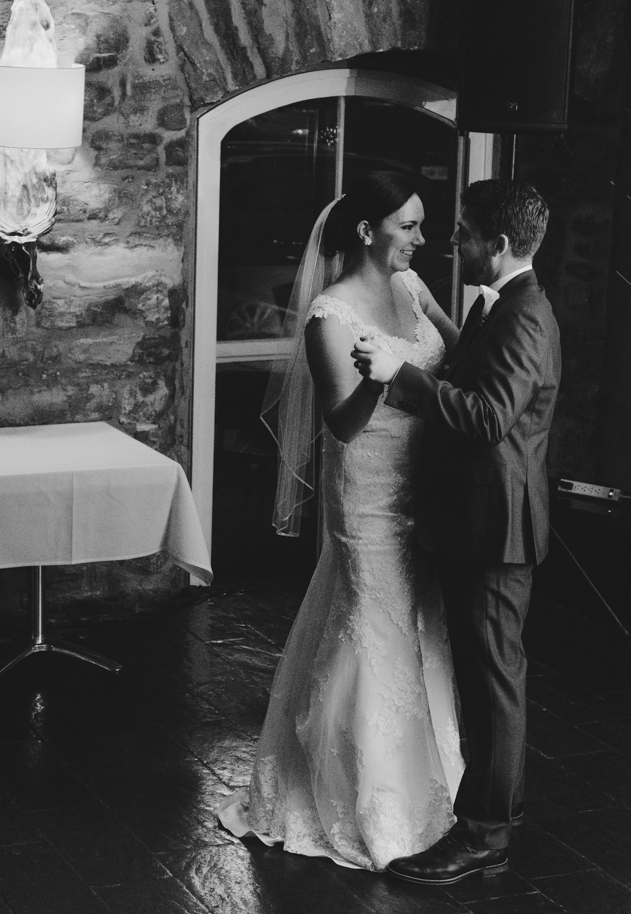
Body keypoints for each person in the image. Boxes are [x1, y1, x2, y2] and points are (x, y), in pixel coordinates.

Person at [216, 171, 466, 871]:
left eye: (420, 224)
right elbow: (343, 423)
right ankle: (371, 801)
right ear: (367, 230)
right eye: (409, 225)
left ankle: (433, 777)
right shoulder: (330, 315)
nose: (421, 237)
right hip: (367, 494)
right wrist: (382, 380)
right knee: (374, 624)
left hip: (423, 484)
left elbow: (458, 362)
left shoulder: (414, 289)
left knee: (421, 621)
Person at [353, 178, 560, 885]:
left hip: (496, 530)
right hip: (479, 521)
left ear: (498, 246)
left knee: (493, 680)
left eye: (465, 233)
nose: (452, 242)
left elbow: (486, 416)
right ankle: (499, 808)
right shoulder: (498, 306)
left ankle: (484, 834)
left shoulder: (525, 316)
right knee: (484, 675)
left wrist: (399, 374)